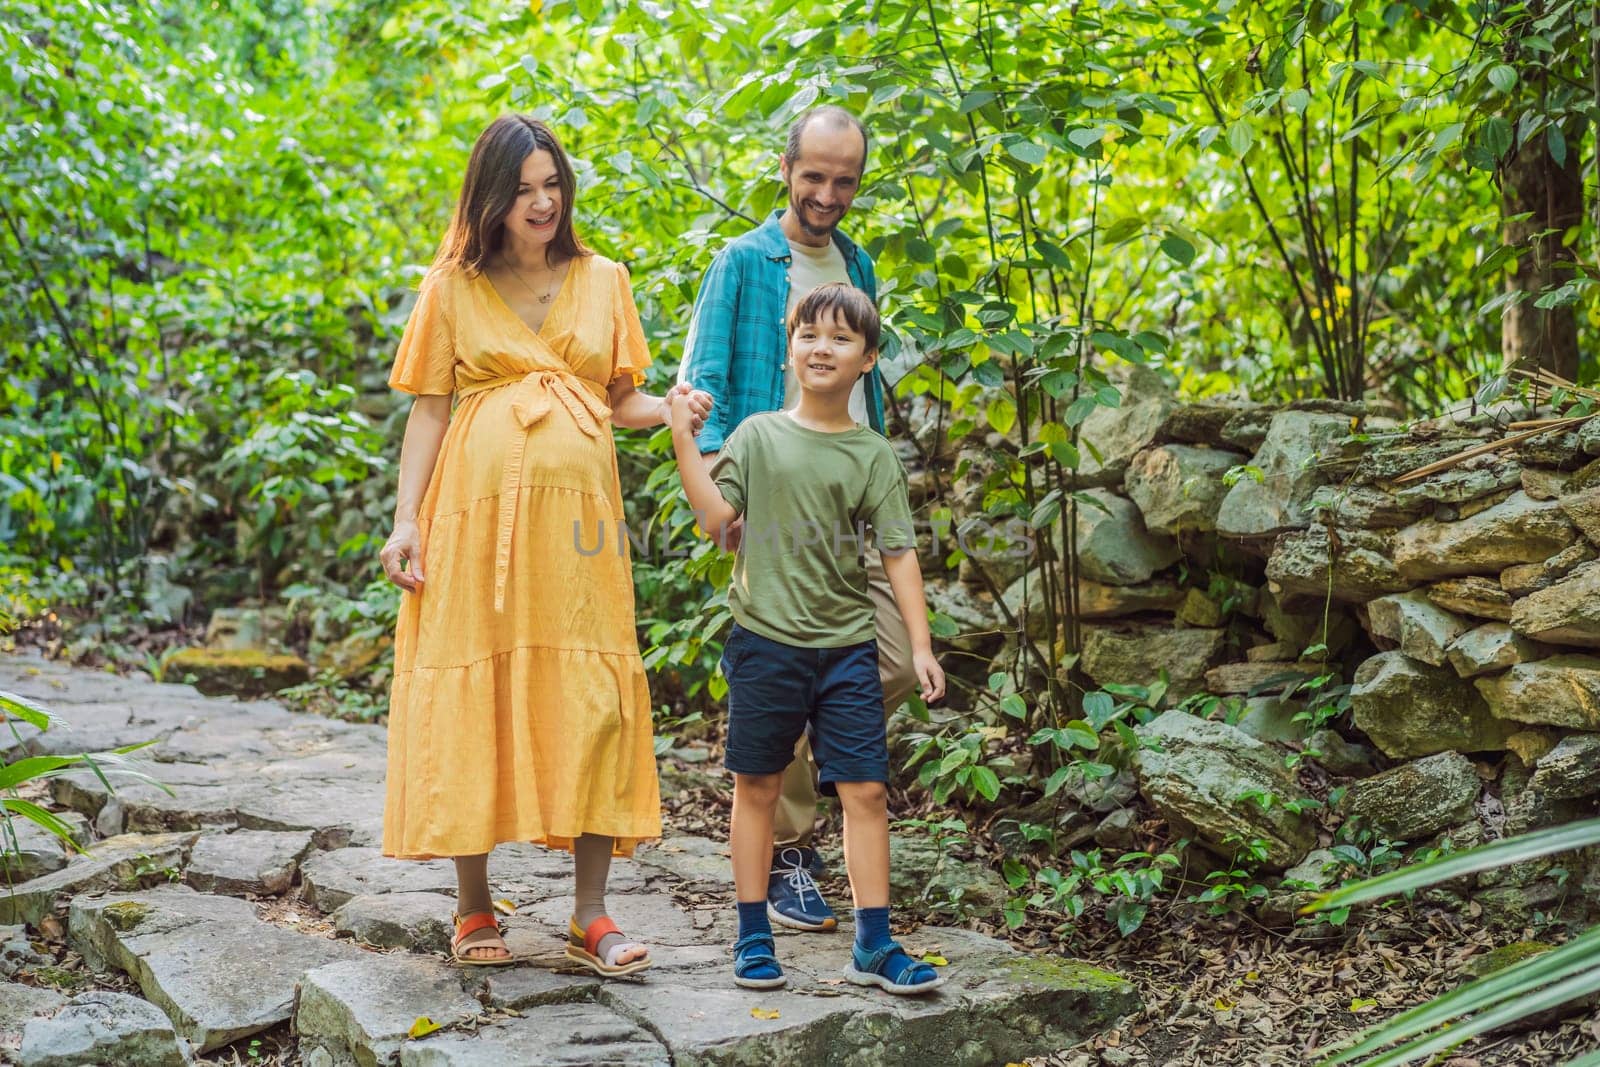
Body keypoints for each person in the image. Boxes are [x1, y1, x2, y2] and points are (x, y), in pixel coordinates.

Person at [378, 115, 711, 972]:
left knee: (591, 694)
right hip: (473, 519)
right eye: (522, 188)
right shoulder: (452, 286)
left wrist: (673, 411)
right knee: (471, 687)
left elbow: (618, 399)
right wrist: (406, 518)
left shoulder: (604, 279)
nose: (542, 201)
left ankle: (591, 913)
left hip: (579, 531)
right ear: (491, 196)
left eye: (552, 183)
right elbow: (429, 408)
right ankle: (473, 905)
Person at [676, 105, 918, 933]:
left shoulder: (857, 263)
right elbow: (701, 388)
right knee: (784, 664)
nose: (827, 193)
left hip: (845, 497)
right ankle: (786, 850)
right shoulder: (743, 264)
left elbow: (867, 384)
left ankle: (794, 801)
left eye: (844, 180)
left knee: (886, 657)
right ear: (785, 169)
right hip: (766, 501)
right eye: (813, 176)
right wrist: (721, 498)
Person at [670, 283, 946, 995]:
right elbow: (714, 518)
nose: (822, 347)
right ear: (790, 348)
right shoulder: (758, 435)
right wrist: (680, 433)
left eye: (841, 338)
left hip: (846, 647)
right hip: (766, 642)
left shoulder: (872, 453)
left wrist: (919, 645)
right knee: (757, 785)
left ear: (867, 359)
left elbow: (898, 553)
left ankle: (876, 944)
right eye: (809, 334)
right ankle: (753, 933)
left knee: (867, 791)